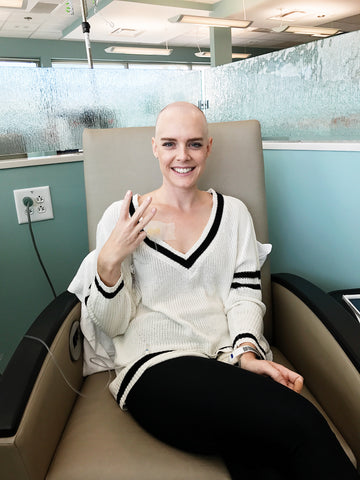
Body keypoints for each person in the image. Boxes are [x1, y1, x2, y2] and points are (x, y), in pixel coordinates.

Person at [69, 102, 359, 479]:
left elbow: (244, 295)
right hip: (155, 367)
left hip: (226, 362)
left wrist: (247, 352)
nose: (182, 156)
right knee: (301, 419)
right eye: (170, 144)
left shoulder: (234, 214)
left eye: (193, 144)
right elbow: (111, 325)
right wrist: (108, 263)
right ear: (155, 147)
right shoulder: (122, 218)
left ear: (209, 147)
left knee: (264, 461)